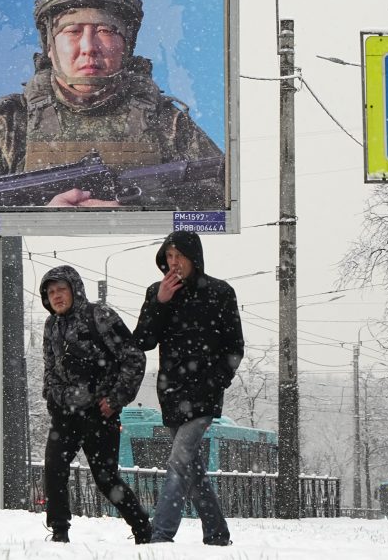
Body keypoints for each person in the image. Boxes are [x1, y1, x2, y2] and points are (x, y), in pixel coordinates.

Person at [0, 0, 225, 209]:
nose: (89, 47)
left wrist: (136, 209)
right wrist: (40, 219)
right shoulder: (9, 123)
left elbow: (223, 202)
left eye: (106, 30)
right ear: (49, 45)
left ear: (127, 44)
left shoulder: (166, 122)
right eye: (72, 31)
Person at [132, 231, 244, 546]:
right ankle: (217, 533)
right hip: (171, 394)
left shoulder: (220, 293)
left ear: (194, 257)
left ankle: (160, 534)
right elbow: (143, 341)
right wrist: (160, 303)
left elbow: (234, 346)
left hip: (204, 395)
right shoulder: (156, 292)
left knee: (179, 461)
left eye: (178, 255)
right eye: (168, 256)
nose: (173, 263)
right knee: (191, 466)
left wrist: (216, 381)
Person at [39, 265, 152, 544]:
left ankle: (142, 529)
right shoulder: (51, 326)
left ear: (75, 290)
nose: (56, 296)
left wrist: (115, 399)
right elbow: (50, 367)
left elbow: (134, 357)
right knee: (53, 468)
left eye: (61, 289)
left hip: (100, 414)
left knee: (105, 479)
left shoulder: (99, 316)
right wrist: (52, 397)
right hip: (65, 414)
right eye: (51, 292)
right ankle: (59, 532)